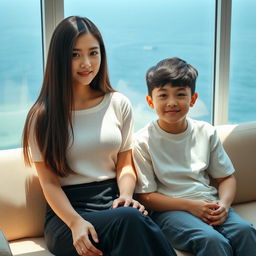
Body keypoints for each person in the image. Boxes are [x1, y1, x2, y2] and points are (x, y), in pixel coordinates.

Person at [22, 16, 176, 256]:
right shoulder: (42, 116)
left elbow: (125, 164)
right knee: (131, 222)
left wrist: (126, 196)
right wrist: (75, 222)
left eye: (93, 53)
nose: (86, 63)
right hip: (67, 217)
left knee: (130, 218)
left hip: (113, 205)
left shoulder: (118, 103)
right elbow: (49, 183)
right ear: (59, 59)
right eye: (75, 55)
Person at [133, 57, 256, 256]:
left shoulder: (205, 132)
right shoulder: (142, 140)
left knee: (246, 231)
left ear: (193, 99)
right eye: (163, 95)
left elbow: (226, 177)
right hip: (170, 213)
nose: (172, 102)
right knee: (211, 241)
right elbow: (145, 196)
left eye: (180, 94)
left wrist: (224, 205)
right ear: (150, 101)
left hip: (209, 204)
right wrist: (190, 206)